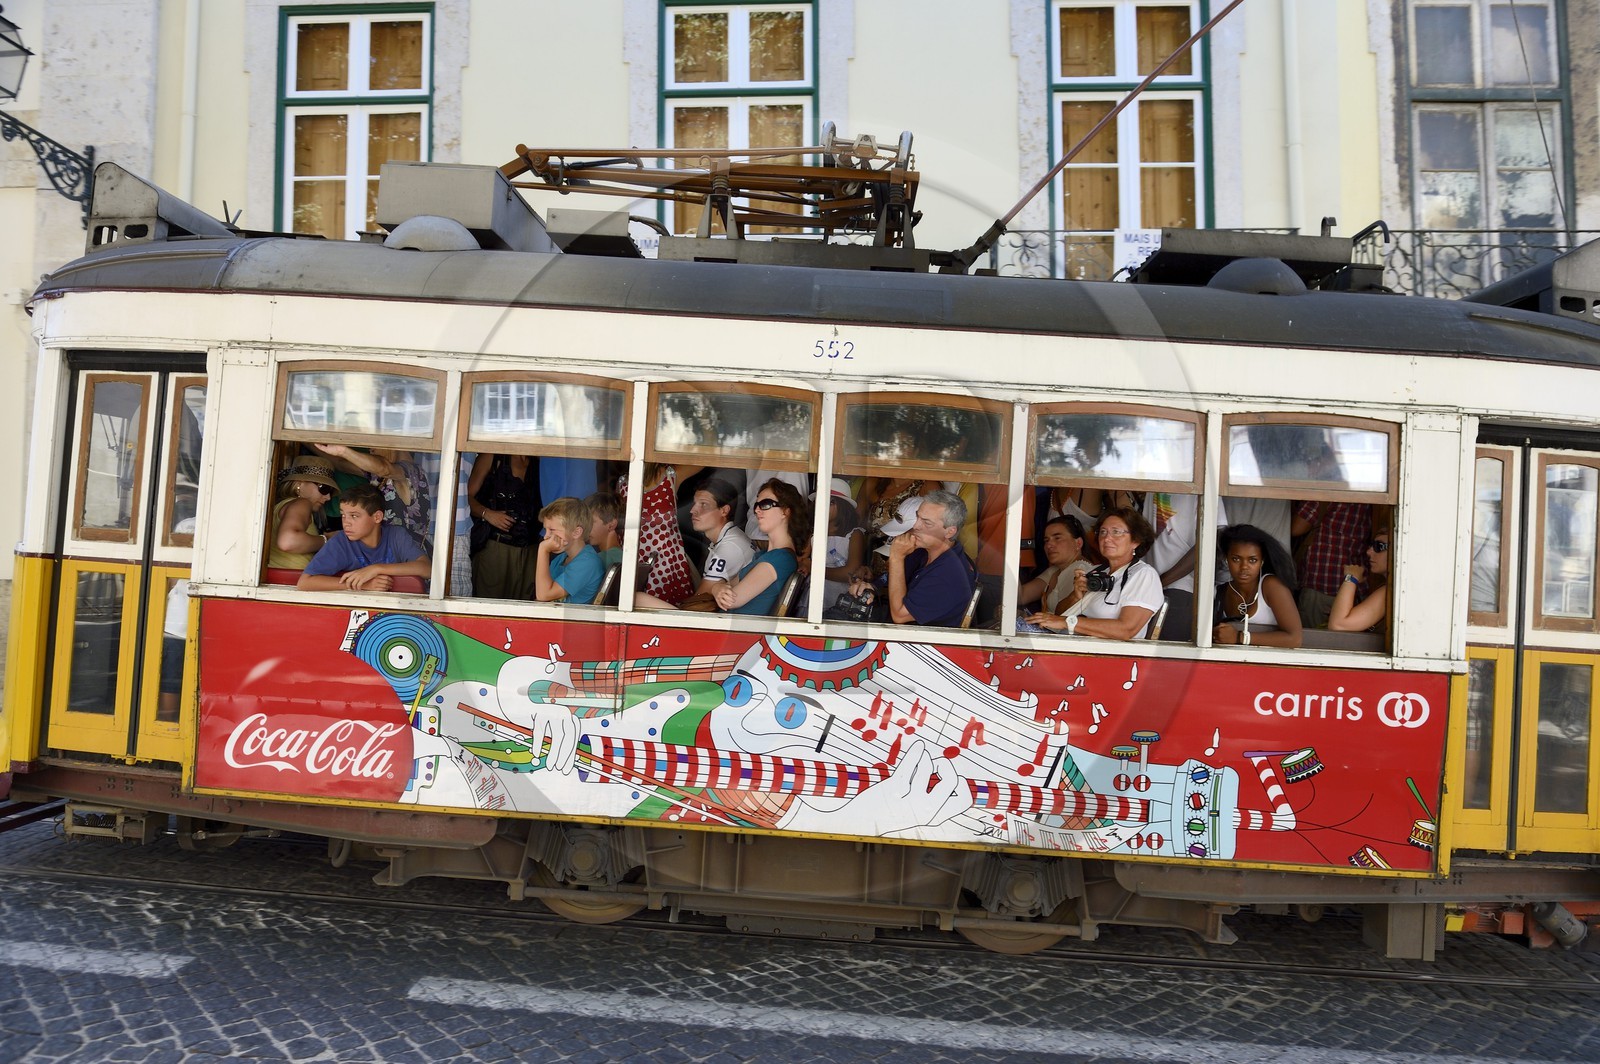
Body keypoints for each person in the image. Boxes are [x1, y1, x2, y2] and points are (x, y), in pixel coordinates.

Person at [1032, 507, 1163, 640]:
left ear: (1136, 541)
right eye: (1103, 532)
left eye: (1116, 532)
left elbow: (1127, 630)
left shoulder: (1143, 575)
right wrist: (1075, 597)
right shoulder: (1095, 571)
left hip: (1111, 656)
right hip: (1079, 649)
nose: (1107, 538)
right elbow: (1059, 615)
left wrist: (1068, 622)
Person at [852, 490, 976, 627]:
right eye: (918, 517)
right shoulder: (924, 551)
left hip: (922, 643)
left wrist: (896, 557)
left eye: (927, 523)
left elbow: (899, 615)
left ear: (950, 531)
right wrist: (871, 586)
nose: (916, 526)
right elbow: (895, 578)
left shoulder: (950, 574)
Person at [298, 483, 431, 592]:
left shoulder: (395, 535)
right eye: (343, 515)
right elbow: (305, 582)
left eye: (354, 516)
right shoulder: (341, 541)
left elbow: (427, 569)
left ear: (377, 517)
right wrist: (363, 584)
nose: (346, 522)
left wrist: (376, 569)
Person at [711, 479, 808, 616]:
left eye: (766, 504)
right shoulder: (765, 556)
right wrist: (718, 587)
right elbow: (726, 586)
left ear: (785, 511)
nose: (757, 510)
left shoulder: (780, 558)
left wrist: (717, 587)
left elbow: (730, 599)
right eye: (756, 505)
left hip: (738, 633)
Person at [314, 442, 433, 553]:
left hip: (407, 560)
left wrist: (343, 451)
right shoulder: (380, 477)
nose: (371, 448)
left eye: (376, 441)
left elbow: (384, 468)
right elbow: (340, 464)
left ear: (394, 442)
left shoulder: (413, 473)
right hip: (384, 556)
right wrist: (308, 442)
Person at [1144, 492, 1227, 641]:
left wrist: (1161, 581)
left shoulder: (1201, 481)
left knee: (1166, 657)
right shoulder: (1154, 482)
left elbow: (1212, 539)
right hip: (1152, 587)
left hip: (1182, 589)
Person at [1212, 524, 1302, 648]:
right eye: (1236, 559)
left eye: (1252, 560)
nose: (1244, 567)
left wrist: (1239, 637)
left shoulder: (1271, 586)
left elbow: (1295, 639)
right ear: (1226, 559)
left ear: (1262, 561)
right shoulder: (1219, 592)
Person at [623, 462, 698, 606]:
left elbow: (704, 459)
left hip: (668, 562)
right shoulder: (623, 483)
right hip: (635, 558)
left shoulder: (671, 475)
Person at [1293, 498, 1373, 629]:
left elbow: (1297, 527)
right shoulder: (1367, 496)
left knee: (1314, 642)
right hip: (1354, 585)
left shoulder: (1327, 491)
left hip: (1321, 583)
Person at [469, 452, 540, 599]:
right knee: (489, 607)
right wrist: (487, 513)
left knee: (525, 610)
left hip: (532, 550)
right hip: (496, 546)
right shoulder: (492, 457)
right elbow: (464, 497)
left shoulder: (539, 460)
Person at [269, 455, 340, 569]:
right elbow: (288, 541)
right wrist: (327, 539)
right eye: (324, 488)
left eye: (330, 491)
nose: (328, 497)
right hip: (290, 581)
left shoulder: (282, 505)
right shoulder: (302, 503)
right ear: (299, 484)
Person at [1017, 515, 1092, 619]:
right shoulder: (1054, 570)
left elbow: (1069, 618)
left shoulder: (1081, 570)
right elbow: (1021, 596)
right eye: (1046, 540)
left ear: (1078, 543)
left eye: (1057, 538)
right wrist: (1013, 560)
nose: (1049, 545)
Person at [533, 497, 605, 605]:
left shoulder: (587, 563)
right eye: (545, 530)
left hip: (574, 620)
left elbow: (543, 595)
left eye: (552, 530)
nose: (546, 537)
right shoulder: (560, 559)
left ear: (576, 532)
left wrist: (543, 550)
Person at [692, 478, 755, 590]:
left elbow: (700, 599)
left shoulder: (730, 547)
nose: (692, 510)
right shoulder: (729, 537)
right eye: (694, 504)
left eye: (704, 505)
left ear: (724, 511)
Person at [1329, 530, 1390, 632]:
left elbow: (1338, 625)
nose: (1369, 552)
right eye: (1371, 545)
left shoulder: (1389, 592)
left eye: (1379, 546)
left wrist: (1351, 577)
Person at [819, 477, 867, 606]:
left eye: (831, 502)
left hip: (840, 599)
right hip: (814, 596)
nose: (823, 505)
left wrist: (814, 569)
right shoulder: (814, 533)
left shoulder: (854, 535)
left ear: (843, 506)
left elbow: (849, 573)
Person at [584, 490, 625, 569]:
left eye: (591, 522)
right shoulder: (622, 556)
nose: (586, 527)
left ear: (611, 525)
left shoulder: (598, 560)